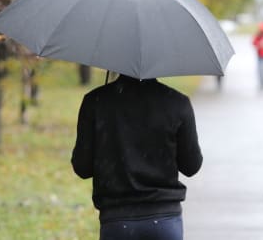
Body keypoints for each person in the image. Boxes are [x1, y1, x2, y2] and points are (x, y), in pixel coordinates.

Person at [71, 74, 203, 240]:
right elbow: (192, 166)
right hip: (164, 221)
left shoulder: (95, 101)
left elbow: (82, 168)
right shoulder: (178, 103)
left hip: (117, 222)